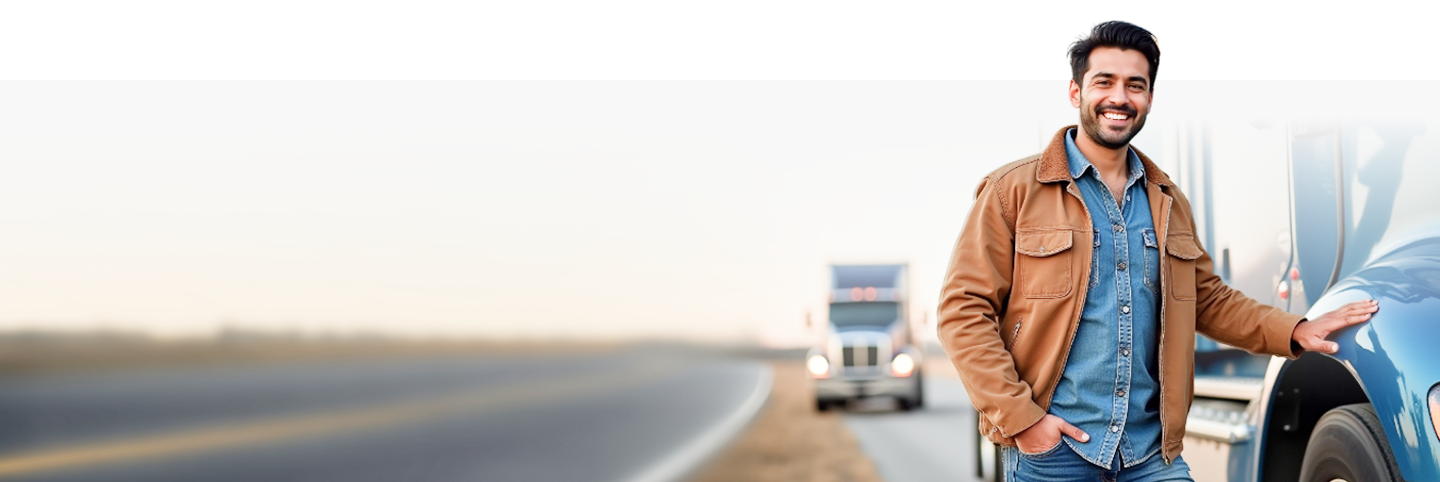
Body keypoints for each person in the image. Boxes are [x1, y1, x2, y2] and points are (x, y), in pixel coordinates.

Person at [935, 19, 1379, 481]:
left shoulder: (1167, 200)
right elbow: (961, 312)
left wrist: (1296, 329)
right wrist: (1023, 421)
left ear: (1149, 98)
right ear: (1075, 92)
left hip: (1149, 453)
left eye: (1135, 85)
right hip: (1055, 451)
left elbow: (1206, 299)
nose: (1120, 98)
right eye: (1103, 81)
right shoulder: (1013, 191)